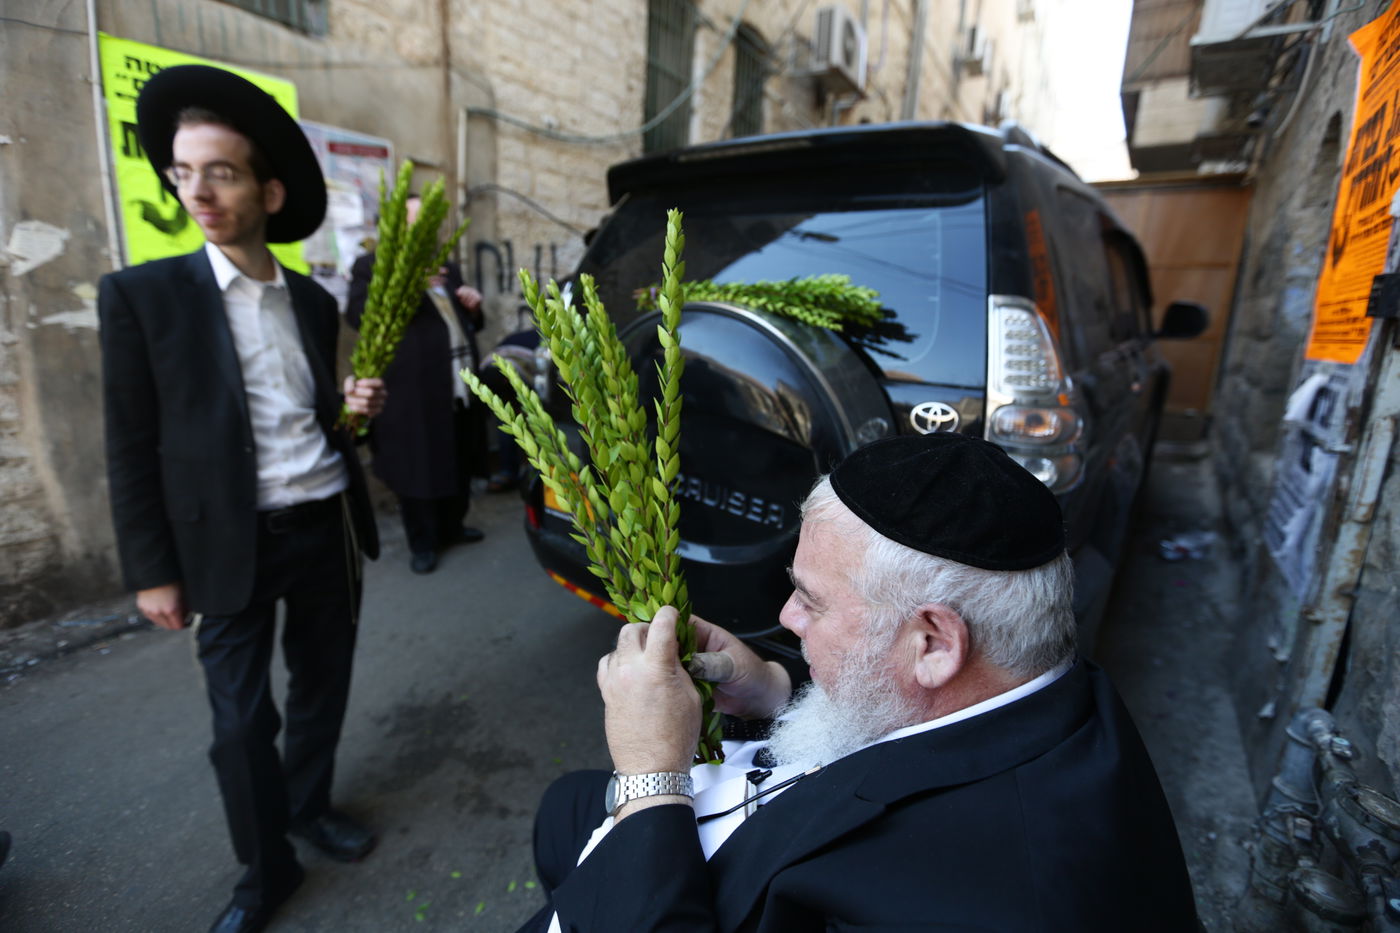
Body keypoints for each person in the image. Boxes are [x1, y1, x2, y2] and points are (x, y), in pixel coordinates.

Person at [521, 433, 1200, 932]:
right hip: (769, 819)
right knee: (565, 806)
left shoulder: (994, 901)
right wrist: (774, 693)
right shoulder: (1046, 686)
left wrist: (650, 777)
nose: (785, 619)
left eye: (811, 601)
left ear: (933, 642)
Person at [98, 65, 385, 933]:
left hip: (325, 520)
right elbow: (129, 442)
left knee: (322, 685)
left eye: (217, 172)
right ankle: (265, 873)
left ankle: (308, 804)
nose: (196, 191)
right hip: (225, 544)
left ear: (267, 189)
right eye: (182, 173)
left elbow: (310, 415)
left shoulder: (305, 297)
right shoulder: (142, 298)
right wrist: (151, 569)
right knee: (236, 723)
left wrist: (353, 414)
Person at [346, 199, 486, 573]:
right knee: (417, 467)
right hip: (413, 393)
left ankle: (453, 526)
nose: (426, 229)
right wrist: (408, 282)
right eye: (416, 222)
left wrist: (471, 306)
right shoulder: (371, 266)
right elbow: (359, 315)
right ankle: (422, 543)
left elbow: (464, 318)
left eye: (431, 222)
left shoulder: (447, 266)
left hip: (456, 383)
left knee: (457, 458)